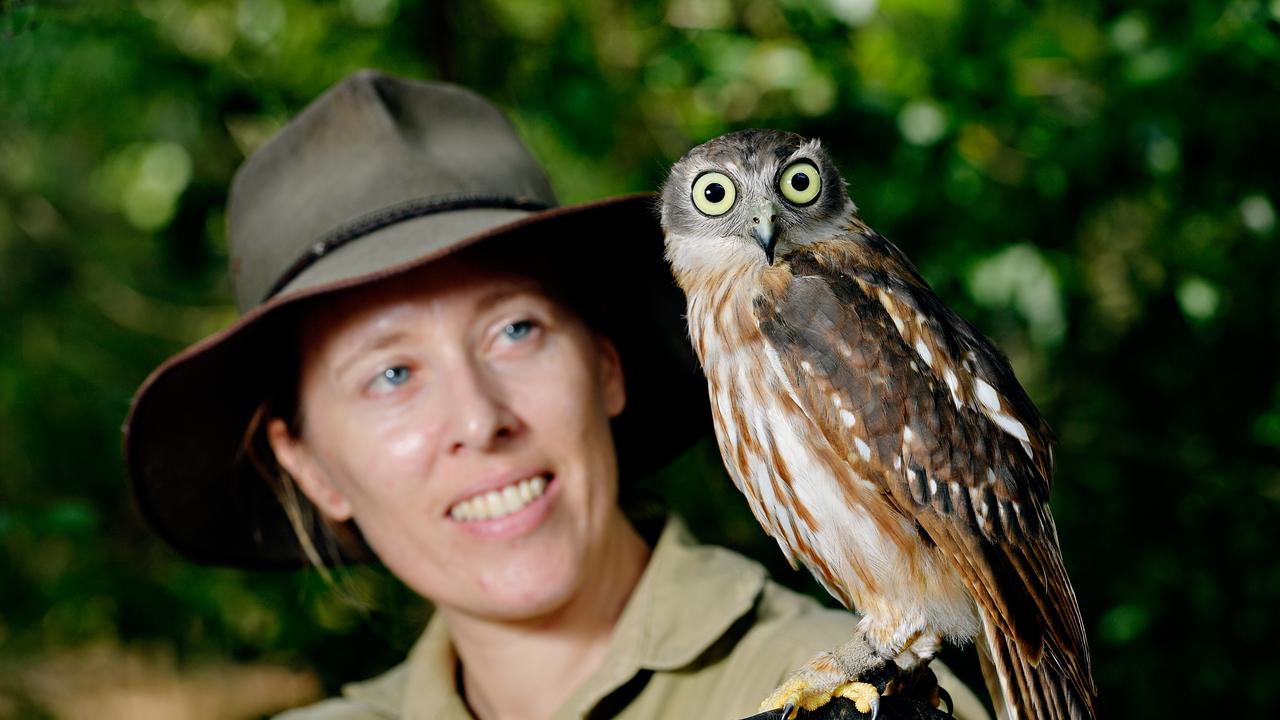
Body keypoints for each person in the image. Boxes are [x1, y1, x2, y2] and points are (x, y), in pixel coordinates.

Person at [125, 71, 989, 720]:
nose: (478, 419)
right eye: (392, 374)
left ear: (607, 363)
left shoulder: (862, 688)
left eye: (516, 331)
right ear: (308, 466)